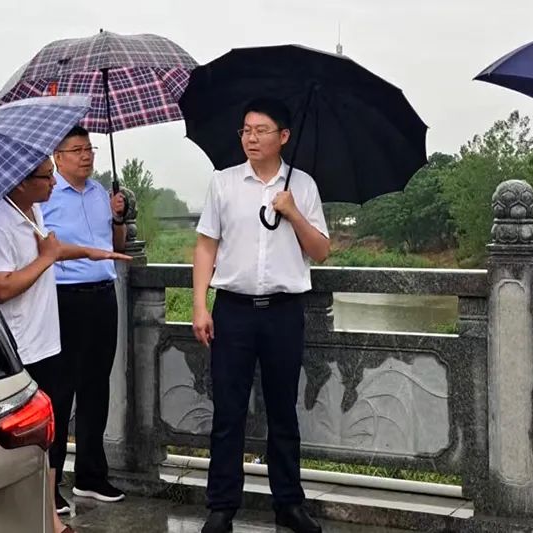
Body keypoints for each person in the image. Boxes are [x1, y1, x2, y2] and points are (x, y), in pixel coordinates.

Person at [0, 158, 130, 533]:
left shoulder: (30, 211)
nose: (53, 184)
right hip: (20, 346)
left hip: (45, 339)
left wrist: (89, 252)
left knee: (47, 429)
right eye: (46, 177)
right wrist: (46, 258)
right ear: (20, 181)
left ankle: (50, 515)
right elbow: (0, 286)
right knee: (25, 434)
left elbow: (51, 251)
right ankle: (39, 514)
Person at [193, 98, 330, 533]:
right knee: (227, 412)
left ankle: (288, 503)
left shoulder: (302, 186)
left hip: (283, 313)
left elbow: (321, 251)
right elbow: (206, 246)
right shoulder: (224, 183)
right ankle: (221, 507)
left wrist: (292, 212)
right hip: (232, 311)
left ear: (283, 136)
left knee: (283, 411)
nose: (251, 138)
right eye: (246, 130)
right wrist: (199, 305)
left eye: (261, 130)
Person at [42, 125, 128, 510]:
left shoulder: (100, 194)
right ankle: (51, 482)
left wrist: (119, 217)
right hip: (64, 298)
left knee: (96, 386)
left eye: (89, 148)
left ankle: (91, 475)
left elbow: (116, 246)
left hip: (103, 296)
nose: (86, 156)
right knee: (59, 391)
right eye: (76, 150)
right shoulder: (46, 195)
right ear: (58, 157)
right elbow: (40, 249)